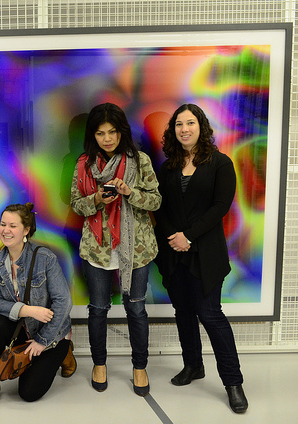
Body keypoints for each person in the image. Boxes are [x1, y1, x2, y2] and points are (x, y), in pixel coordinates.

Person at [153, 104, 248, 413]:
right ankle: (193, 366)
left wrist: (188, 236)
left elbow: (220, 206)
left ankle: (233, 383)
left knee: (210, 314)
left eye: (190, 123)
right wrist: (174, 237)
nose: (184, 129)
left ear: (201, 126)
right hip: (173, 251)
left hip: (205, 253)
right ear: (173, 130)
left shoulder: (220, 163)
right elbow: (159, 207)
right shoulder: (167, 167)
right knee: (183, 312)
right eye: (179, 124)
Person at [70, 103, 161, 396]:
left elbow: (156, 201)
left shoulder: (140, 161)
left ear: (122, 132)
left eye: (112, 132)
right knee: (98, 309)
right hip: (97, 249)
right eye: (100, 133)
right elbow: (76, 204)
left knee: (136, 308)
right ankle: (99, 364)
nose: (107, 139)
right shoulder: (84, 165)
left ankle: (139, 366)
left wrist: (128, 192)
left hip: (136, 249)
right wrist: (97, 198)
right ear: (92, 135)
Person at [0, 203, 75, 413]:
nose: (6, 230)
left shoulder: (45, 258)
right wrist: (28, 310)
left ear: (26, 230)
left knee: (28, 393)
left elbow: (64, 302)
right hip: (20, 328)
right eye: (3, 224)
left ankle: (65, 351)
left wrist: (43, 340)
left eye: (12, 226)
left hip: (50, 333)